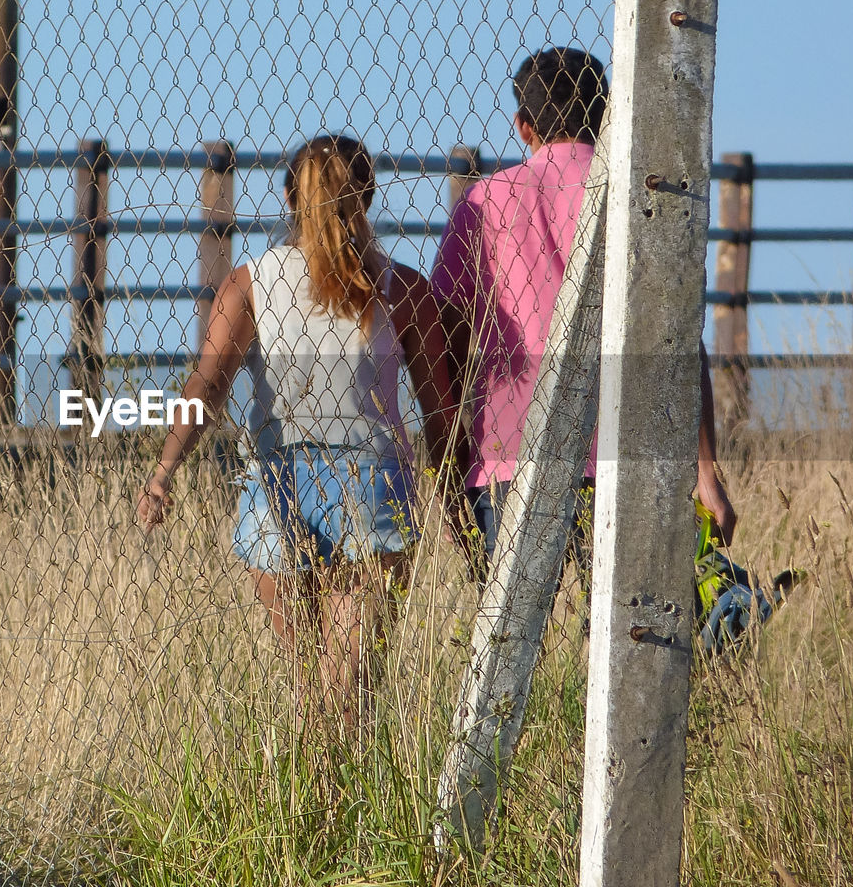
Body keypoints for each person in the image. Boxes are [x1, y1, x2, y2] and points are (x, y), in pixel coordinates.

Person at [135, 135, 454, 743]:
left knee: (311, 684)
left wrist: (165, 471)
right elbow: (440, 407)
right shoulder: (405, 289)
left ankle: (306, 814)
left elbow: (207, 385)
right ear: (370, 194)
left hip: (276, 485)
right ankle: (345, 819)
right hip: (374, 482)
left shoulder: (250, 285)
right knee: (350, 690)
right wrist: (453, 496)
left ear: (286, 198)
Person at [430, 46, 737, 582]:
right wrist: (705, 471)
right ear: (605, 113)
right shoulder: (638, 199)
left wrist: (450, 457)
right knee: (642, 622)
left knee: (517, 636)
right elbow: (680, 340)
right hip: (629, 446)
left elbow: (442, 334)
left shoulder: (482, 205)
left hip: (509, 445)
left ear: (523, 126)